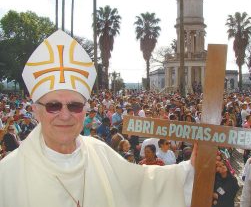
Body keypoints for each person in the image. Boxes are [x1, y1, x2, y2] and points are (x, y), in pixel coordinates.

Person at [0, 31, 196, 207]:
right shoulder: (7, 175)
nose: (65, 115)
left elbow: (142, 185)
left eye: (75, 105)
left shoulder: (99, 151)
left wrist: (191, 170)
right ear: (35, 111)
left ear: (86, 109)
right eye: (53, 106)